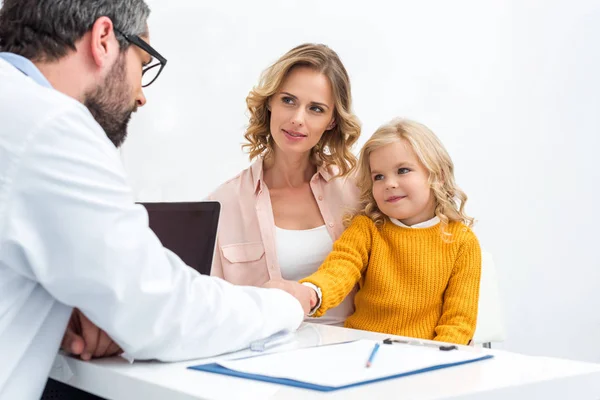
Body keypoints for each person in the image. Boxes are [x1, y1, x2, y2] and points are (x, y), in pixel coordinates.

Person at [0, 1, 312, 398]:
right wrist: (284, 304)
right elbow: (160, 311)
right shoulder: (51, 126)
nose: (140, 95)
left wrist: (69, 305)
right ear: (103, 39)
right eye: (143, 64)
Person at [208, 43, 362, 326]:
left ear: (331, 121)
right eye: (288, 100)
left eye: (316, 109)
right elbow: (209, 308)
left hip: (352, 357)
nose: (297, 119)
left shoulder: (358, 193)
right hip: (260, 359)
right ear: (270, 102)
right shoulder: (222, 204)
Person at [297, 118, 482, 344]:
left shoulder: (462, 241)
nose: (389, 183)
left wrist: (435, 364)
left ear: (438, 176)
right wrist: (311, 292)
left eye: (403, 170)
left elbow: (458, 321)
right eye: (379, 176)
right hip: (363, 349)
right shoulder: (367, 229)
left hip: (424, 358)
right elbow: (339, 269)